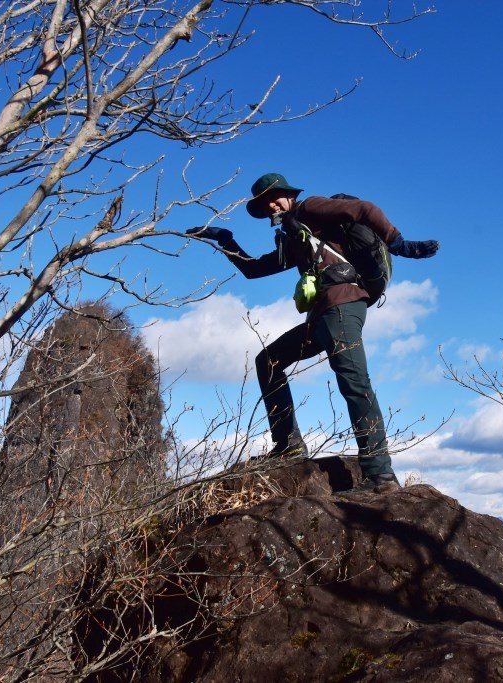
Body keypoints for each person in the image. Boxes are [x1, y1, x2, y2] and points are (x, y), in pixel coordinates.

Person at [188, 173, 439, 493]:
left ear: (288, 195)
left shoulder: (309, 209)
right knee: (269, 361)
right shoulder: (296, 235)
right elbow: (255, 270)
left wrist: (398, 243)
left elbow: (363, 209)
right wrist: (226, 241)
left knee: (354, 383)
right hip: (320, 316)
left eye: (275, 196)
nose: (271, 205)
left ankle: (380, 475)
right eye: (265, 203)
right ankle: (289, 445)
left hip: (343, 306)